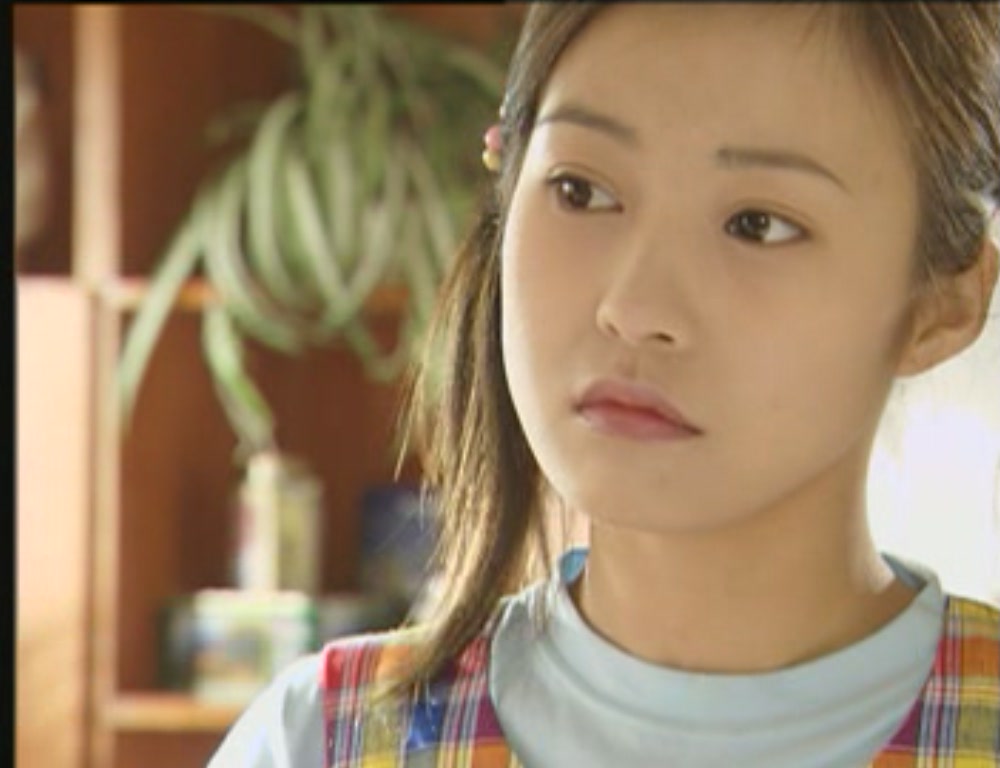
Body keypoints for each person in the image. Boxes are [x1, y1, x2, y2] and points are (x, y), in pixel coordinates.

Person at [209, 3, 1000, 766]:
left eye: (758, 225)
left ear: (946, 303)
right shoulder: (319, 742)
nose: (634, 308)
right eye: (581, 190)